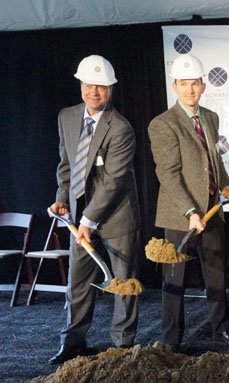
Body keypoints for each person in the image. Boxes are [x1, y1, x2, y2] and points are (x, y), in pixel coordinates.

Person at [48, 55, 141, 364]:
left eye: (101, 87)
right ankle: (72, 342)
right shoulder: (67, 117)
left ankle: (122, 347)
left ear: (110, 89)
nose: (94, 92)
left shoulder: (121, 128)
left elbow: (113, 181)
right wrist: (63, 198)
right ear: (80, 85)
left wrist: (89, 219)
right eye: (88, 85)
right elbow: (66, 165)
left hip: (116, 218)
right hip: (78, 216)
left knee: (122, 283)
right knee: (77, 282)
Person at [148, 53, 229, 350]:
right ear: (175, 86)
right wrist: (190, 211)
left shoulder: (210, 118)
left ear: (203, 86)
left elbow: (214, 160)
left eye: (195, 84)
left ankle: (221, 327)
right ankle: (171, 339)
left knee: (216, 271)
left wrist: (225, 186)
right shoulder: (163, 124)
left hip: (212, 210)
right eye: (184, 84)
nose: (190, 90)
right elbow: (169, 174)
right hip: (180, 215)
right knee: (174, 277)